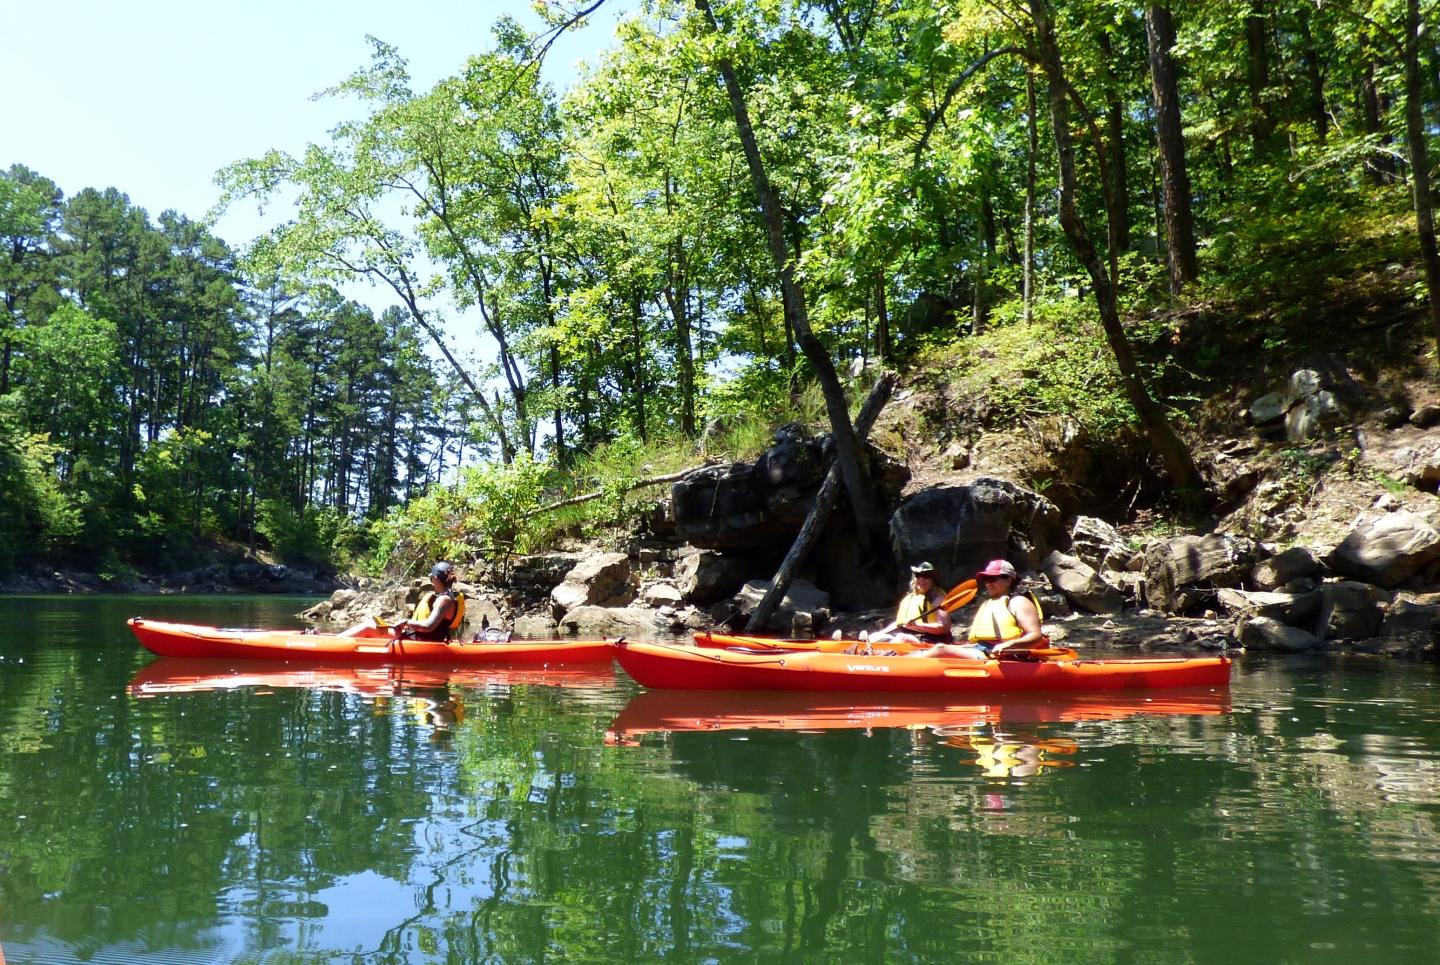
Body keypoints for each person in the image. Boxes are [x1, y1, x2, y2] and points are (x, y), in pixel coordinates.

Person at [910, 559, 1044, 659]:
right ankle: (895, 660)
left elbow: (1036, 636)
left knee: (941, 649)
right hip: (983, 648)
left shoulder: (1019, 602)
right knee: (929, 649)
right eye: (986, 579)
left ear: (1009, 580)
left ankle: (894, 669)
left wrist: (1009, 645)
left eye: (993, 579)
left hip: (1005, 654)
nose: (988, 584)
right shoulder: (991, 601)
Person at [341, 562, 466, 641]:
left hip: (421, 642)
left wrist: (407, 622)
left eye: (431, 578)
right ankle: (335, 639)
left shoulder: (443, 600)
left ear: (434, 579)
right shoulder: (449, 597)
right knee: (374, 627)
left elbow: (428, 626)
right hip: (419, 638)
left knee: (368, 626)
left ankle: (332, 642)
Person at [867, 561, 953, 647]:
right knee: (874, 638)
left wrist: (918, 625)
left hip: (931, 640)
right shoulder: (911, 597)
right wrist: (880, 633)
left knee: (902, 638)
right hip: (911, 637)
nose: (921, 579)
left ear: (933, 580)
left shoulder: (939, 598)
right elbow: (900, 623)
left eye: (926, 576)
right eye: (918, 576)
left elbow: (944, 627)